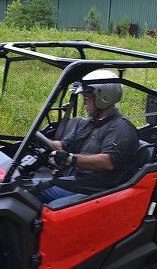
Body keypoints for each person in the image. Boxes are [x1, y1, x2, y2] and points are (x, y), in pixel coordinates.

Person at [33, 69, 139, 203]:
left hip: (100, 192)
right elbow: (63, 145)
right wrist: (39, 139)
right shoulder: (90, 123)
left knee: (44, 199)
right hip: (80, 182)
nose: (85, 103)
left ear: (103, 98)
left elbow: (107, 162)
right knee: (27, 188)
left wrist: (71, 160)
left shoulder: (121, 128)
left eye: (87, 99)